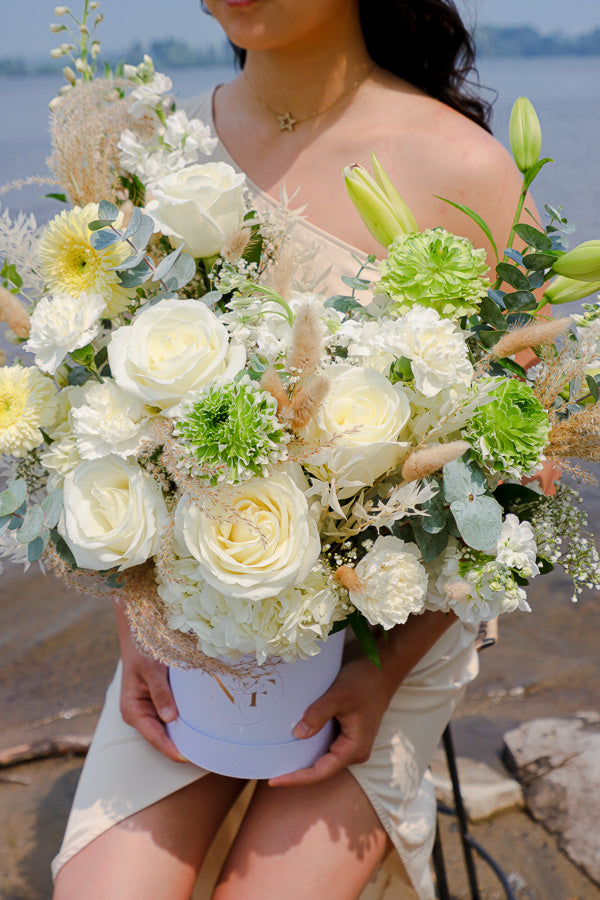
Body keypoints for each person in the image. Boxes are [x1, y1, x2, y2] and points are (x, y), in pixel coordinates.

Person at [52, 2, 535, 898]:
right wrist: (140, 625)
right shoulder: (154, 150)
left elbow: (519, 464)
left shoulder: (465, 165)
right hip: (189, 632)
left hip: (388, 636)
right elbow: (99, 419)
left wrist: (383, 675)